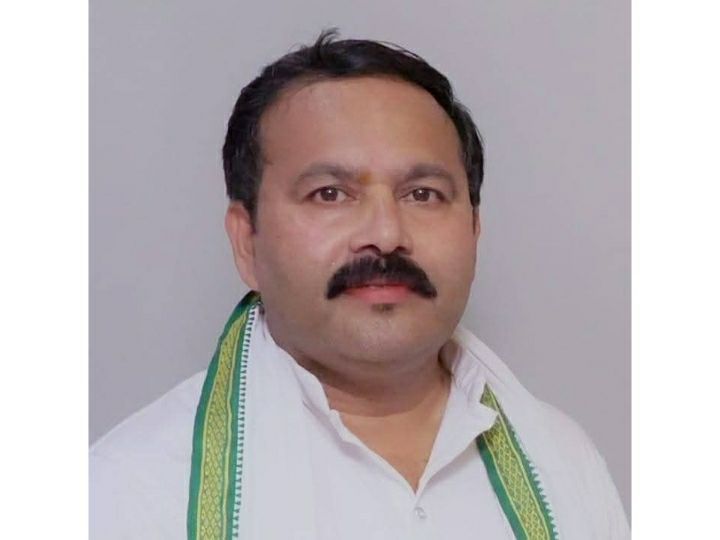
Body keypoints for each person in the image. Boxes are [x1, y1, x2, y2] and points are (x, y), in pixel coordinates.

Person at [90, 31, 629, 539]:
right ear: (247, 241)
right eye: (330, 194)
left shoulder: (563, 464)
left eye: (422, 194)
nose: (386, 236)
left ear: (474, 228)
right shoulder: (130, 491)